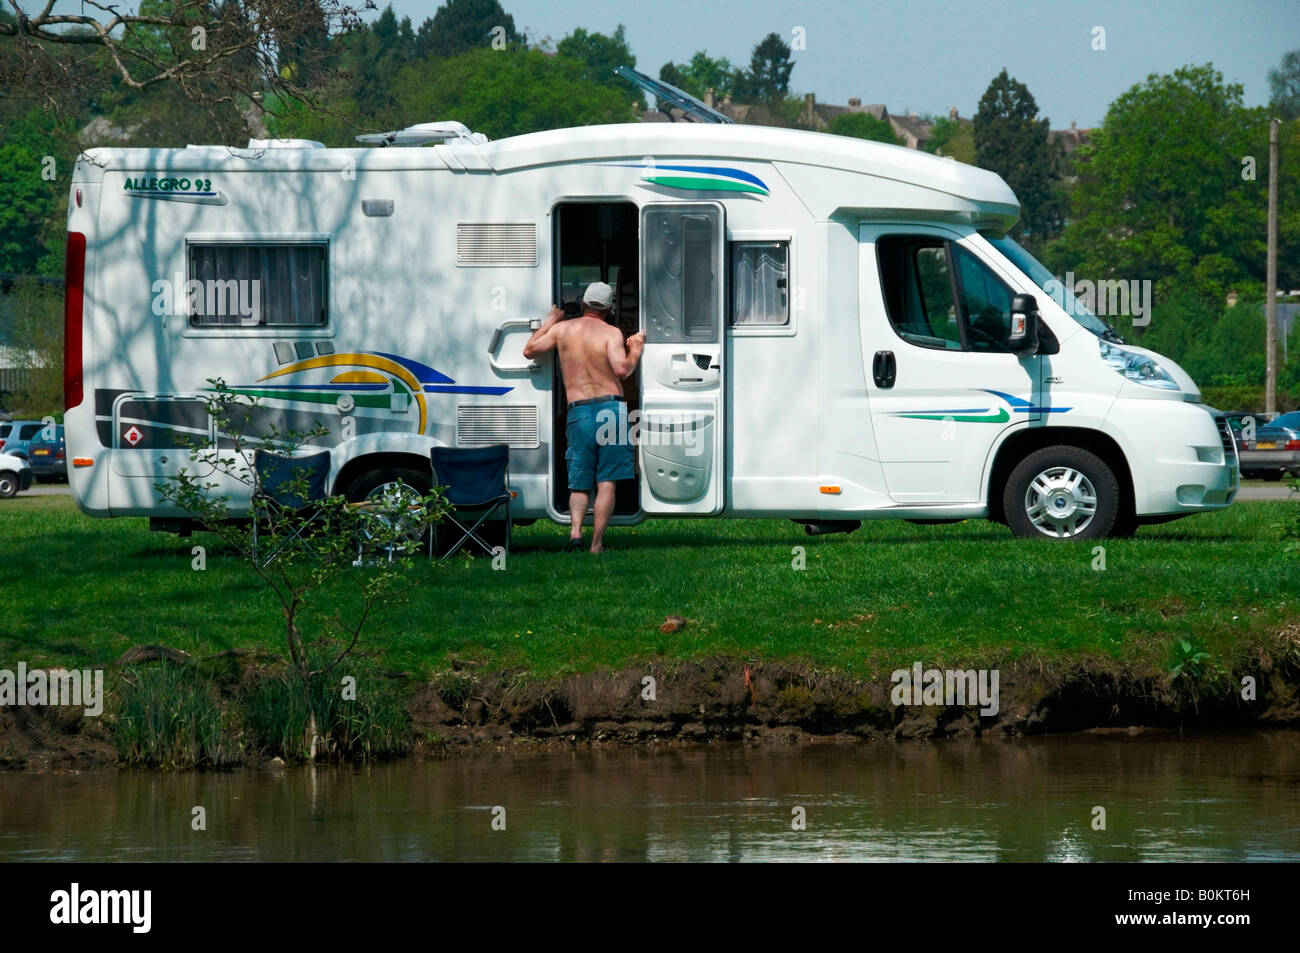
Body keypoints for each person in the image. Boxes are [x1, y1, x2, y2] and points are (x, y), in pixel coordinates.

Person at [523, 281, 644, 553]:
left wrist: (549, 321)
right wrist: (635, 347)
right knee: (606, 480)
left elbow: (529, 350)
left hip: (579, 411)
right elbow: (622, 369)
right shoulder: (611, 333)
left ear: (583, 303)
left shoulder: (562, 330)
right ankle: (596, 544)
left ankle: (575, 534)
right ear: (609, 308)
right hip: (610, 409)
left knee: (579, 480)